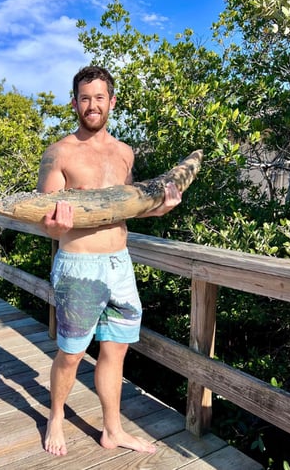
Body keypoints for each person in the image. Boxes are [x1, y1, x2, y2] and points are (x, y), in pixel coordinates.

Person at [37, 65, 182, 456]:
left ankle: (112, 429)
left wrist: (161, 209)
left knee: (115, 350)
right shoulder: (59, 152)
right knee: (71, 354)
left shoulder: (124, 153)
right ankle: (56, 416)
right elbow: (45, 220)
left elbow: (125, 209)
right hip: (79, 266)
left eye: (99, 97)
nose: (92, 105)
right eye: (85, 98)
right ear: (74, 103)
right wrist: (54, 224)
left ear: (112, 101)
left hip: (120, 265)